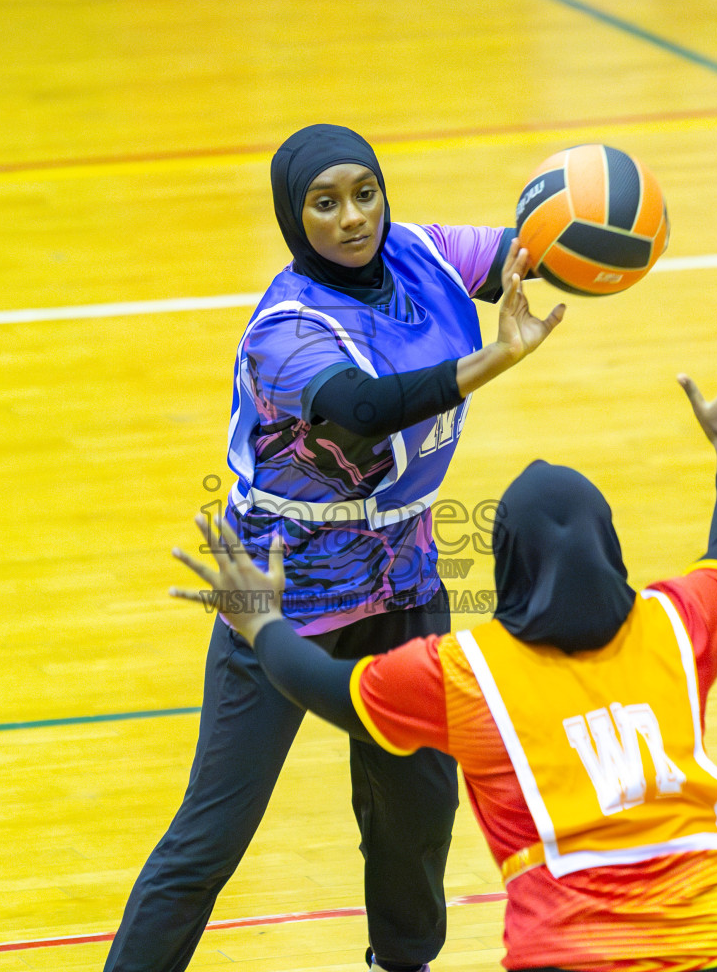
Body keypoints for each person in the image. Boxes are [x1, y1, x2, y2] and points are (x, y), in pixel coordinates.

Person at [171, 326, 717, 971]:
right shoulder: (676, 623)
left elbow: (328, 689)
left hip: (578, 951)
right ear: (610, 547)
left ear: (506, 564)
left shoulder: (473, 675)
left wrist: (261, 625)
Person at [104, 124, 566, 972]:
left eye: (365, 193)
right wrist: (496, 359)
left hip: (407, 581)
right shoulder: (284, 331)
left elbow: (535, 247)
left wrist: (610, 231)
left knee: (416, 817)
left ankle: (404, 965)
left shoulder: (423, 253)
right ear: (294, 216)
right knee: (212, 837)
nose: (353, 218)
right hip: (280, 596)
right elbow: (361, 408)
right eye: (325, 203)